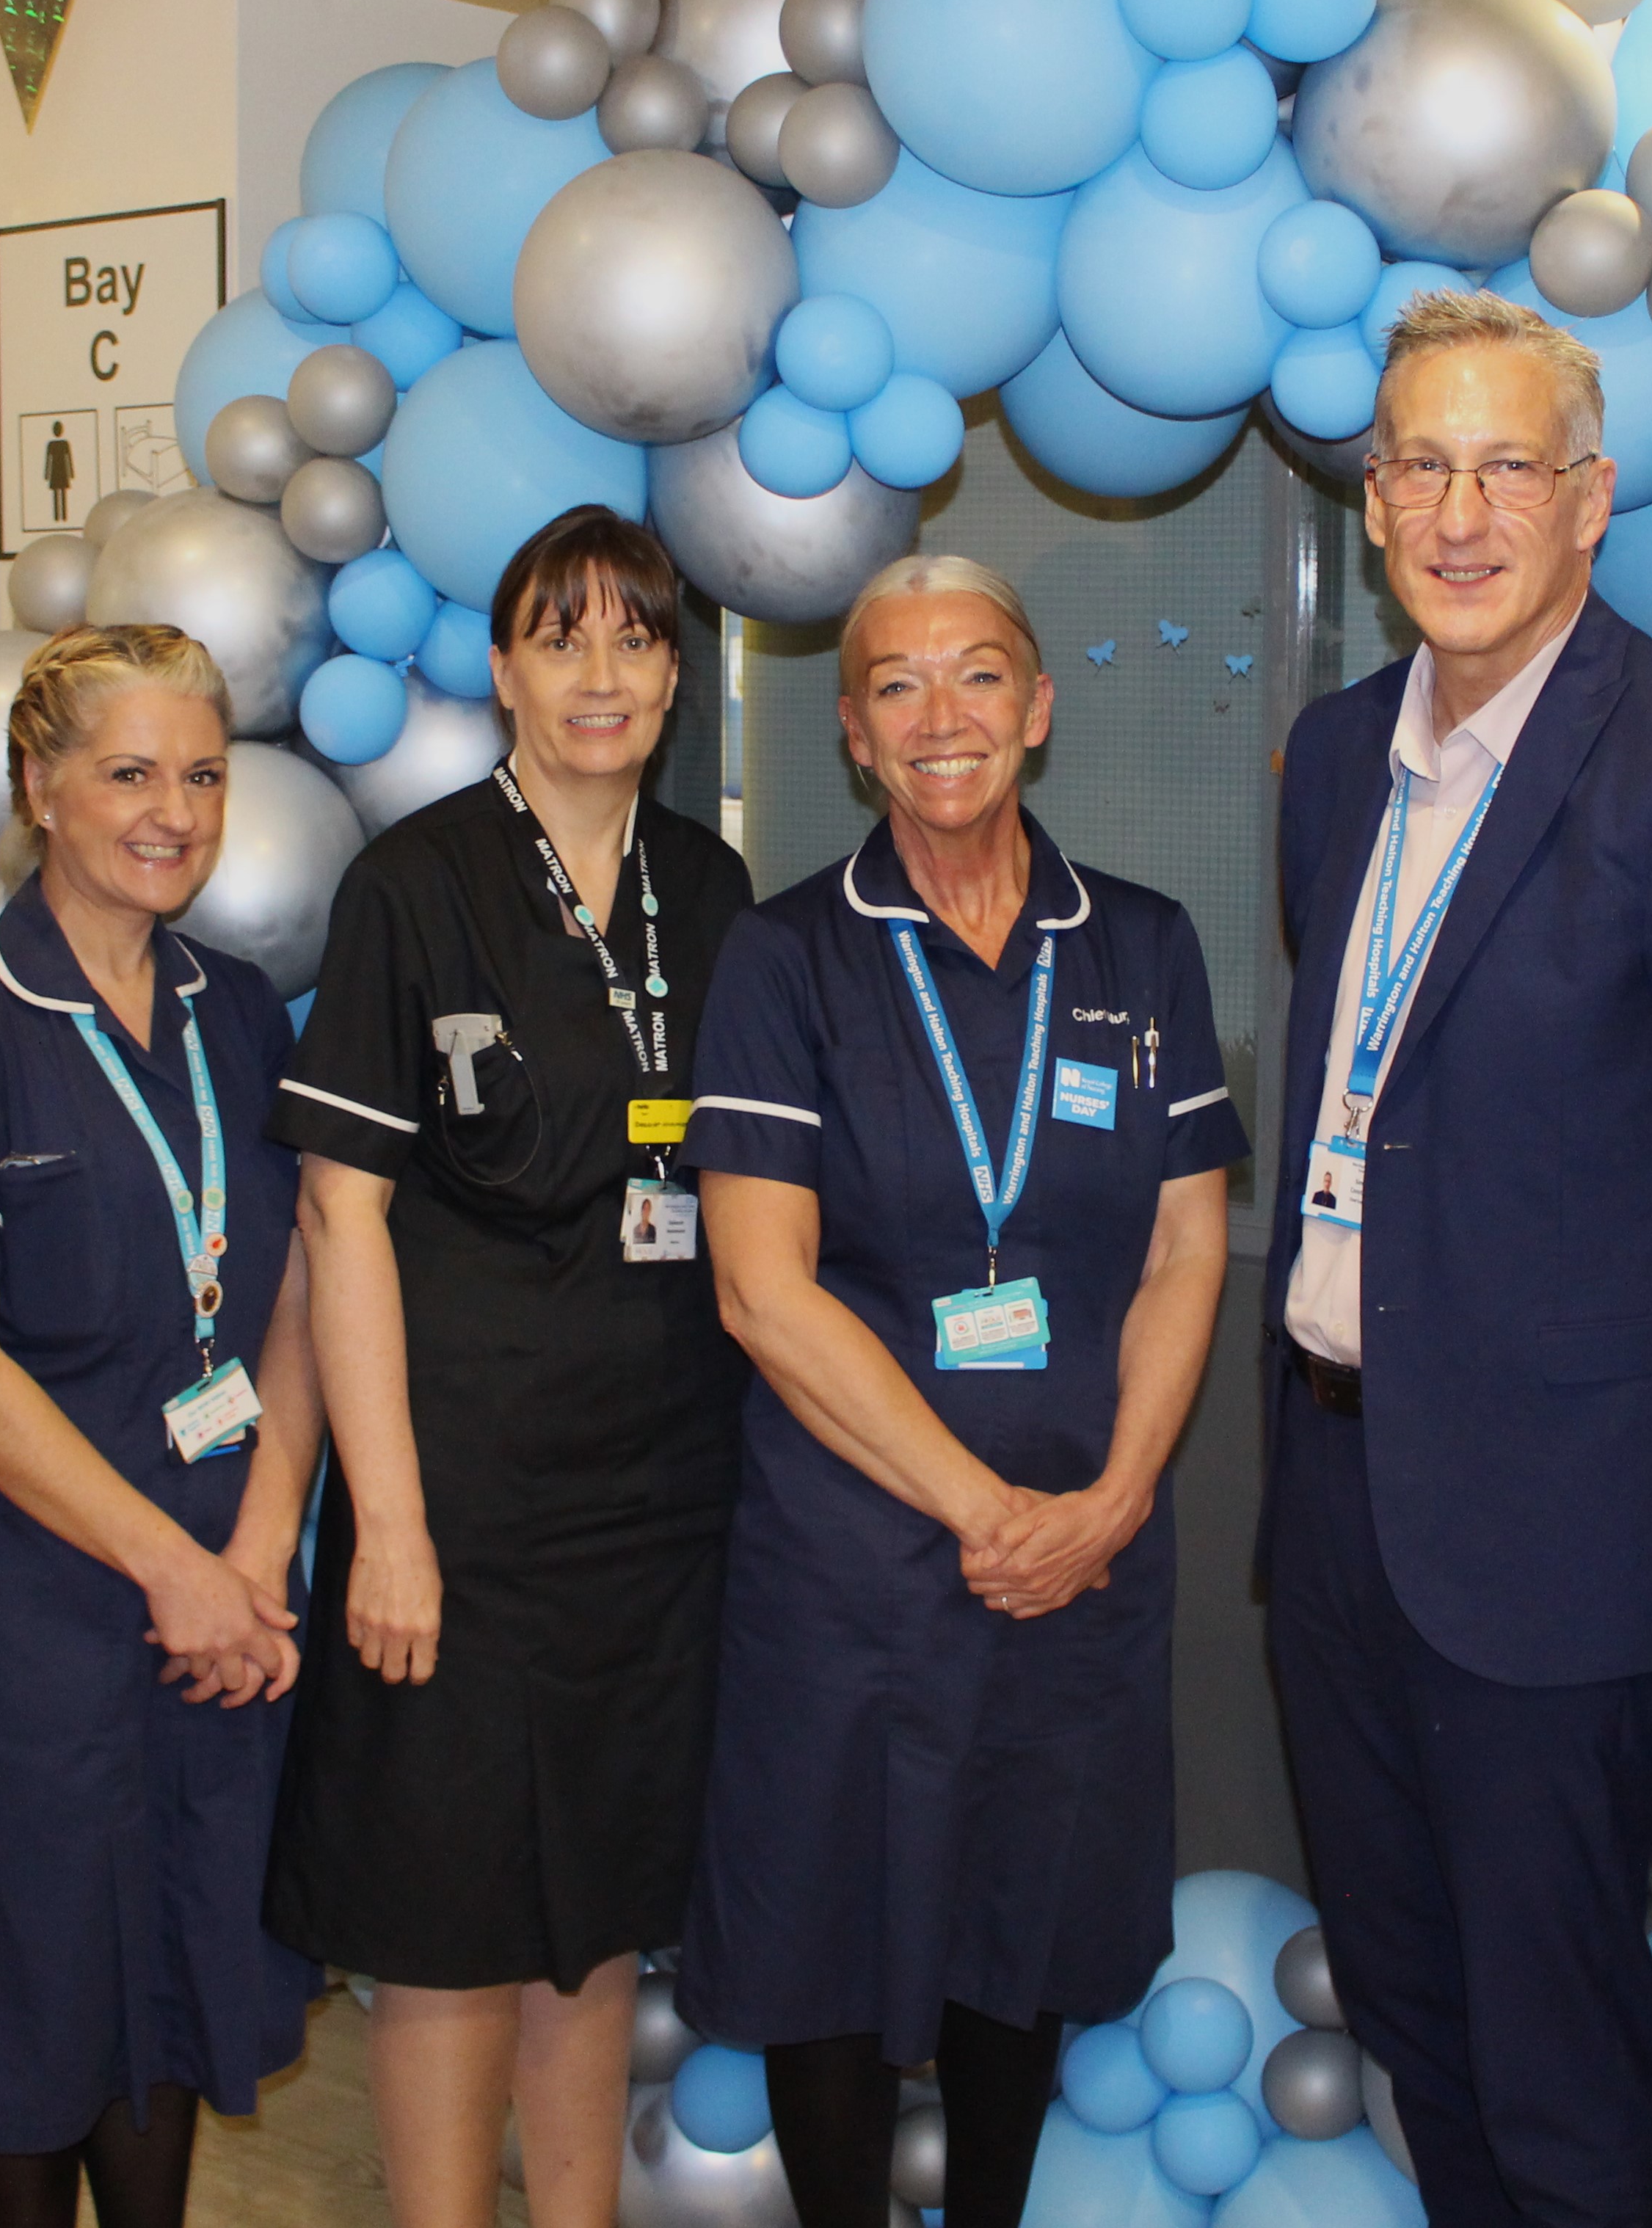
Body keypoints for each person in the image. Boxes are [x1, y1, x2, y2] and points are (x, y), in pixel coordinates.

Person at [1261, 290, 1652, 2227]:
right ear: (1370, 506)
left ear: (1590, 497)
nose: (1460, 511)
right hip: (1341, 1492)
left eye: (1506, 465)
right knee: (1418, 2018)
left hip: (1562, 1540)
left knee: (1558, 2061)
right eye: (1419, 466)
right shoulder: (1337, 758)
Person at [682, 554, 1248, 2228]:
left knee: (1031, 1925)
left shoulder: (1143, 947)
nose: (946, 717)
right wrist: (986, 1511)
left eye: (981, 675)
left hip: (1085, 1548)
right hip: (856, 1565)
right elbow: (760, 1290)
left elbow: (1183, 1255)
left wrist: (1117, 1500)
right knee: (830, 1953)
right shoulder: (786, 963)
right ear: (852, 732)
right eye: (901, 686)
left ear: (1040, 708)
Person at [264, 509, 755, 2228]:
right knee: (450, 1927)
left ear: (678, 673)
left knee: (596, 1914)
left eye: (635, 639)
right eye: (563, 639)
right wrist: (383, 1525)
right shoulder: (414, 885)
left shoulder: (711, 890)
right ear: (502, 669)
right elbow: (341, 1222)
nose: (601, 675)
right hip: (459, 1493)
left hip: (658, 1496)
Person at [0, 623, 327, 2227]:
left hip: (228, 1571)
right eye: (129, 772)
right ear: (40, 787)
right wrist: (169, 1572)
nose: (174, 812)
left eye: (200, 774)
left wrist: (255, 1550)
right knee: (27, 1982)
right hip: (41, 1596)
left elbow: (295, 1296)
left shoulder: (239, 1011)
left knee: (185, 1956)